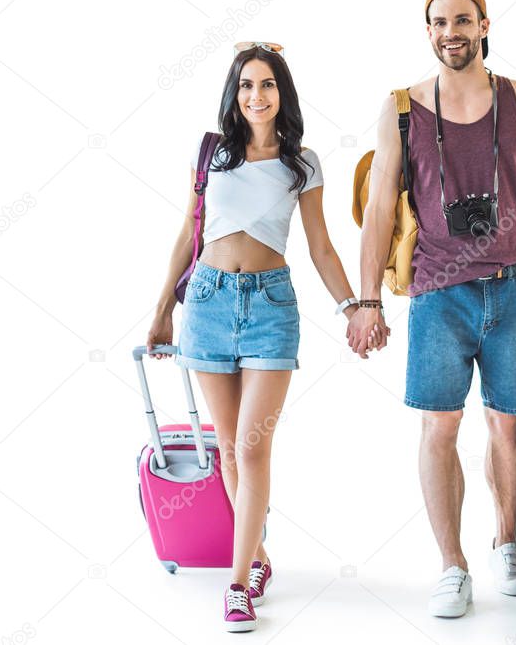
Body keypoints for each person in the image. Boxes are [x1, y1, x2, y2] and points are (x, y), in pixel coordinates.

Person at [347, 0, 516, 618]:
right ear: (428, 31)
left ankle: (507, 544)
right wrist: (367, 302)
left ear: (484, 25)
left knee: (508, 424)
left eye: (463, 20)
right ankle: (452, 565)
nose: (451, 32)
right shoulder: (401, 110)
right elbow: (379, 212)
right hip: (438, 294)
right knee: (438, 428)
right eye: (439, 22)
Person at [146, 42, 382, 632]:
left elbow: (320, 245)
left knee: (252, 448)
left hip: (272, 305)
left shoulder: (302, 163)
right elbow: (188, 231)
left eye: (268, 84)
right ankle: (258, 559)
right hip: (206, 301)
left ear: (283, 93)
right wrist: (160, 311)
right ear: (235, 93)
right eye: (247, 84)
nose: (257, 95)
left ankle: (235, 586)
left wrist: (354, 306)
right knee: (227, 449)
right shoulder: (212, 154)